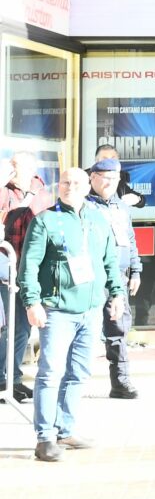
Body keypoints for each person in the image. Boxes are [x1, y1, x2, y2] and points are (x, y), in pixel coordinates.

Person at [18, 168, 127, 462]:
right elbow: (29, 266)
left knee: (78, 372)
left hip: (90, 311)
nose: (70, 186)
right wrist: (32, 302)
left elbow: (109, 260)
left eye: (76, 182)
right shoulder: (45, 221)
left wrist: (117, 294)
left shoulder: (98, 219)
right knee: (50, 373)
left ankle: (64, 430)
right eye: (65, 182)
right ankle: (45, 438)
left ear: (87, 186)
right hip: (57, 311)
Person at [87, 157, 143, 398]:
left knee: (118, 329)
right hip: (90, 276)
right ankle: (75, 381)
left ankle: (120, 382)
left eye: (114, 178)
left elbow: (129, 239)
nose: (110, 182)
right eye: (105, 178)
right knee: (86, 330)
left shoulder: (121, 207)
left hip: (117, 276)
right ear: (93, 178)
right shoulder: (84, 205)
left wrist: (135, 270)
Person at [0, 151, 53, 403]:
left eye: (17, 165)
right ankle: (4, 379)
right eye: (11, 164)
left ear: (31, 169)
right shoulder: (4, 190)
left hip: (29, 268)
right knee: (6, 325)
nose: (12, 168)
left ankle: (12, 378)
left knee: (21, 327)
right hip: (4, 266)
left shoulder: (42, 193)